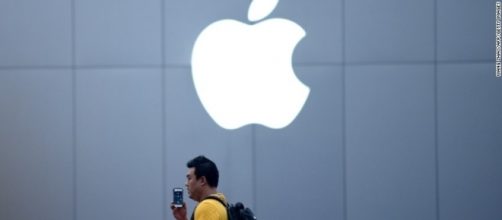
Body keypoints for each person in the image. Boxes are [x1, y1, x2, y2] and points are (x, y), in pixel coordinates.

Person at [171, 155, 228, 220]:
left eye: (189, 178)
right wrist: (183, 218)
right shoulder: (221, 202)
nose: (186, 184)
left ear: (202, 180)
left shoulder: (207, 207)